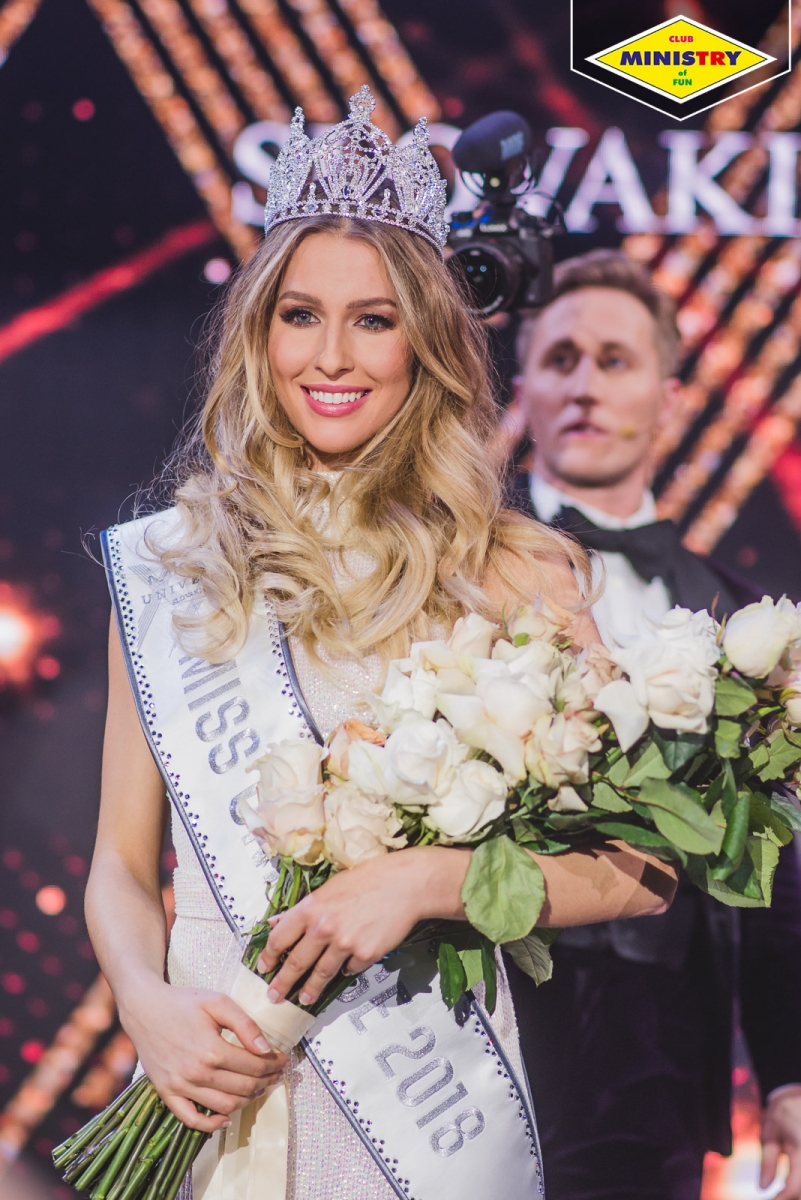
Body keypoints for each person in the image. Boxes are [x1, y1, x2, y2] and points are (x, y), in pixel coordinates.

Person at [84, 96, 676, 1200]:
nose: (331, 356)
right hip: (210, 1080)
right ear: (258, 336)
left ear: (425, 343)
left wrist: (424, 880)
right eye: (300, 315)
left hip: (425, 1107)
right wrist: (141, 1001)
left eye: (374, 319)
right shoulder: (173, 566)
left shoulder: (511, 571)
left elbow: (642, 871)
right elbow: (119, 863)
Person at [507, 247, 801, 1200]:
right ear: (523, 388)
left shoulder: (740, 621)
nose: (584, 386)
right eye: (559, 360)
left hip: (659, 1060)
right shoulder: (447, 568)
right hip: (480, 1029)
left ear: (668, 398)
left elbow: (772, 868)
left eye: (614, 360)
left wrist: (787, 1070)